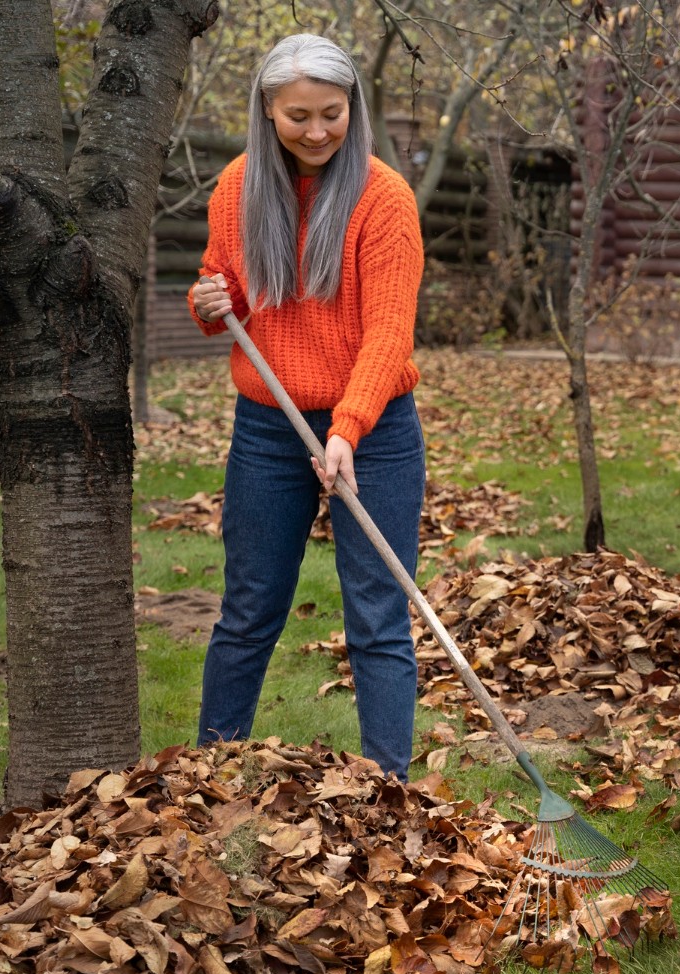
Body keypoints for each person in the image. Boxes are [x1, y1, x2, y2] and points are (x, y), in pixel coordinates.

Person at [188, 34, 426, 780]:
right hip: (267, 427)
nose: (318, 131)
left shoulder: (382, 198)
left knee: (379, 619)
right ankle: (206, 774)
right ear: (267, 110)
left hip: (376, 429)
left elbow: (389, 331)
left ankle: (390, 792)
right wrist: (206, 302)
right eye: (299, 116)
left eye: (332, 113)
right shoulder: (236, 187)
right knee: (249, 609)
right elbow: (218, 287)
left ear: (353, 106)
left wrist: (349, 427)